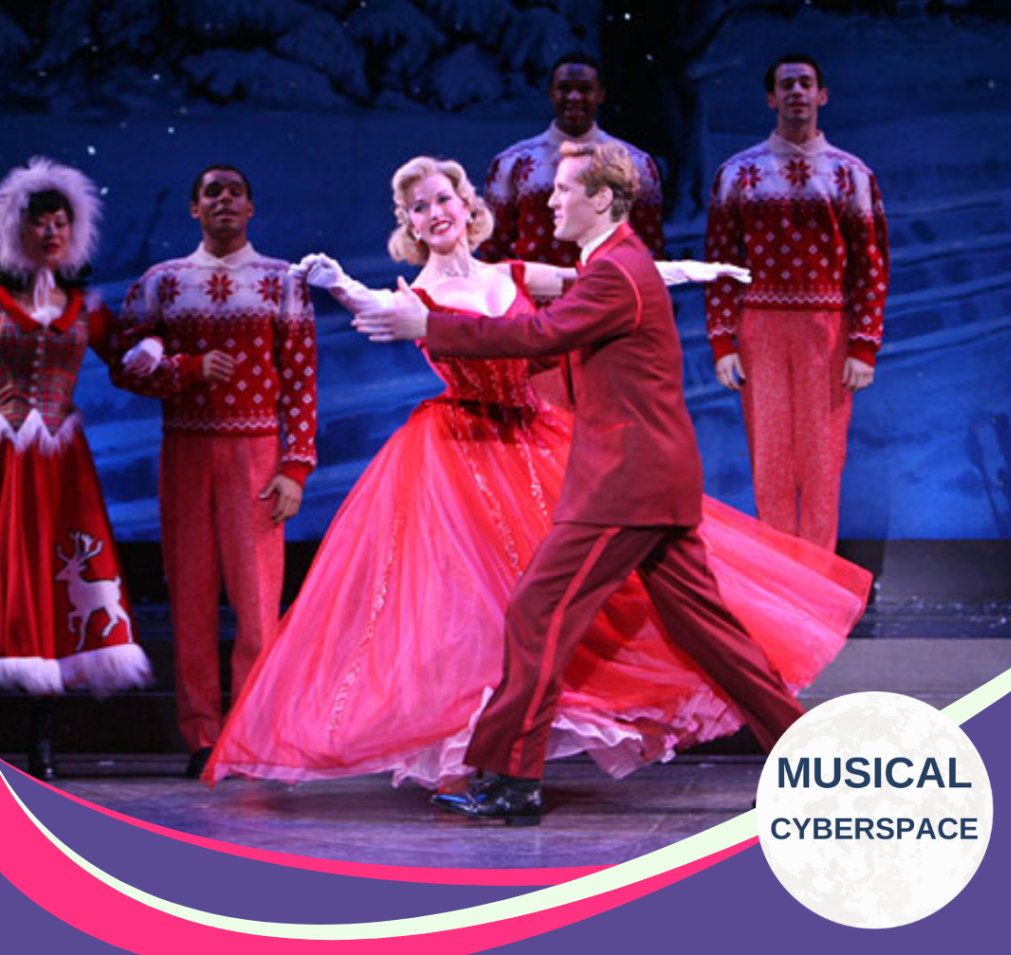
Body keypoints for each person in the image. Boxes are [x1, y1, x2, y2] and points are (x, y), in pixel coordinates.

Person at [203, 154, 869, 800]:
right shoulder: (604, 264)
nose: (549, 200)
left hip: (611, 474)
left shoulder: (596, 270)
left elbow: (540, 334)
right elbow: (388, 306)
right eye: (419, 206)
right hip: (488, 458)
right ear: (408, 221)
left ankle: (512, 779)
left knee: (538, 612)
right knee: (697, 626)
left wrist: (431, 324)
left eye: (562, 190)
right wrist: (340, 284)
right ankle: (813, 755)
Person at [114, 165, 317, 778]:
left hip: (255, 454)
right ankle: (203, 735)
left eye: (235, 192)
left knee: (257, 605)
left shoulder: (283, 280)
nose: (224, 199)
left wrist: (295, 468)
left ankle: (251, 733)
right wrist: (189, 368)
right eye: (212, 193)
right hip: (186, 452)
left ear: (251, 208)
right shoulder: (162, 282)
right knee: (192, 603)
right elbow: (125, 368)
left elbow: (301, 379)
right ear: (194, 209)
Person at [0, 156, 156, 780]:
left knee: (57, 581)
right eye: (40, 221)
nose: (51, 232)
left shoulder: (85, 306)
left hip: (61, 467)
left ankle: (42, 743)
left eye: (60, 222)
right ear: (18, 229)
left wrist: (154, 352)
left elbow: (124, 357)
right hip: (5, 458)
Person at [704, 54, 889, 551]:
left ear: (822, 95)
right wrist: (723, 341)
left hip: (825, 327)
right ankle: (781, 583)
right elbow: (720, 263)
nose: (797, 92)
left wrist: (863, 345)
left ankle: (819, 582)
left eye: (806, 83)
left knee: (822, 461)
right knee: (770, 461)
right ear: (771, 98)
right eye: (786, 85)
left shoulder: (850, 173)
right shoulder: (738, 173)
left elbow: (871, 265)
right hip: (760, 327)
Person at [479, 51, 664, 267]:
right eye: (564, 88)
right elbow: (493, 249)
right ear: (551, 93)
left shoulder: (636, 163)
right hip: (531, 288)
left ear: (601, 94)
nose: (574, 97)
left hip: (610, 286)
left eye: (585, 89)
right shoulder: (512, 163)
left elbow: (649, 250)